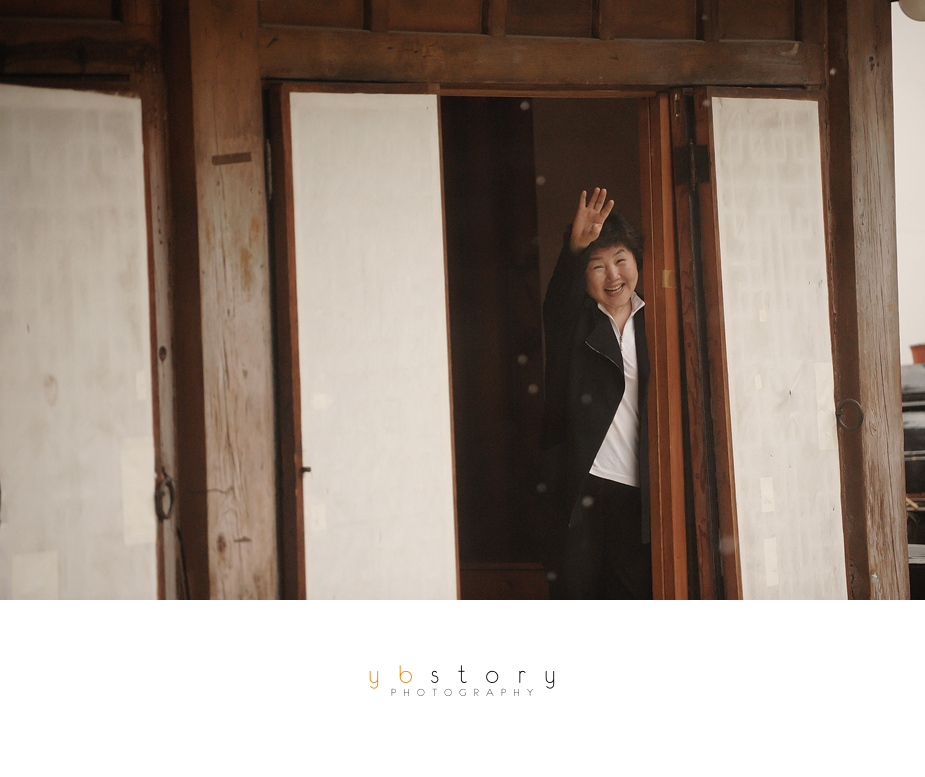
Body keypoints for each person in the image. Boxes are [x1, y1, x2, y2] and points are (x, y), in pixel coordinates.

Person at [539, 187, 651, 599]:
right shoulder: (574, 321)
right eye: (597, 266)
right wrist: (574, 251)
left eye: (620, 260)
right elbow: (557, 302)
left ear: (636, 261)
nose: (613, 276)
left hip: (640, 491)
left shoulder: (657, 323)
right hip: (583, 486)